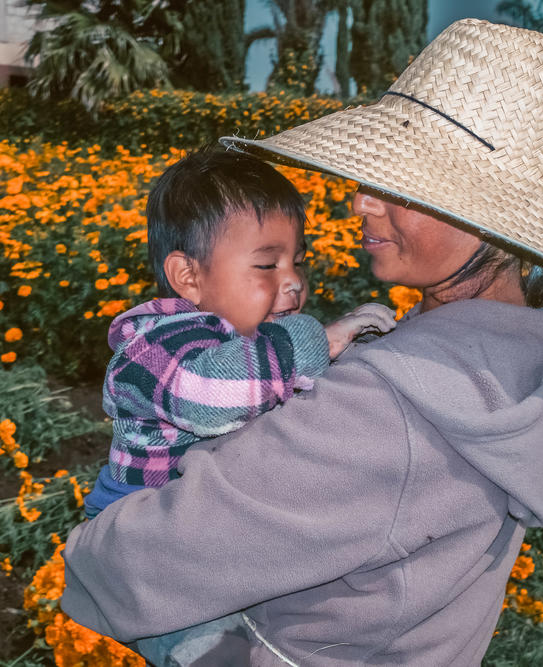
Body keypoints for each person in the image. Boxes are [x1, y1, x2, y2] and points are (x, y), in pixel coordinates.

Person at [61, 18, 543, 666]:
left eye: (401, 186)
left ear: (497, 225)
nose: (361, 202)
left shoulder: (390, 404)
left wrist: (86, 550)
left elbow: (140, 560)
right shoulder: (523, 357)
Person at [81, 147, 397, 666]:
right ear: (188, 277)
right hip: (144, 549)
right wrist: (322, 338)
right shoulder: (154, 346)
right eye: (267, 264)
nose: (292, 280)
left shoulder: (252, 345)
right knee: (210, 652)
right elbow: (209, 397)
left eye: (298, 261)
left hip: (205, 537)